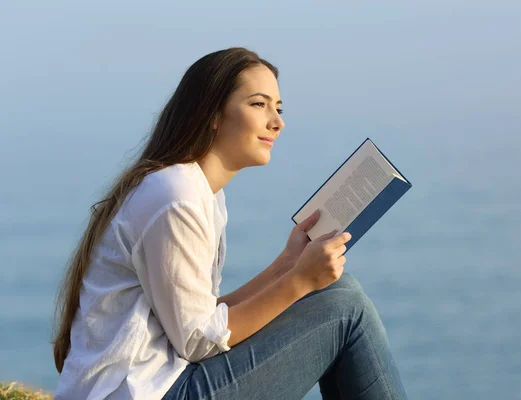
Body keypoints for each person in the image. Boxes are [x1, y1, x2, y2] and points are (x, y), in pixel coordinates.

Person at [52, 47, 408, 400]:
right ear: (213, 114)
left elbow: (198, 319)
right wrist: (299, 281)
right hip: (151, 392)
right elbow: (198, 342)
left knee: (339, 291)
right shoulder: (176, 195)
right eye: (258, 104)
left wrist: (286, 266)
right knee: (346, 310)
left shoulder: (199, 193)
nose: (277, 121)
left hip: (164, 383)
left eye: (279, 109)